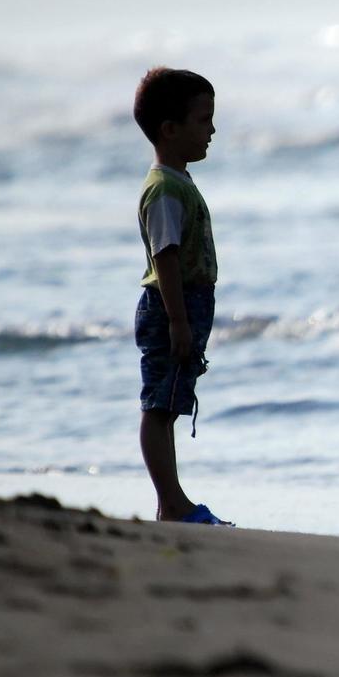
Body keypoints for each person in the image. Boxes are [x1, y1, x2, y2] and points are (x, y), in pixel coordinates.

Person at [131, 67, 232, 525]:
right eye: (203, 120)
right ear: (170, 130)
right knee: (160, 405)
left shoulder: (177, 182)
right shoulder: (166, 190)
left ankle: (172, 502)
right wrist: (177, 321)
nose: (211, 130)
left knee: (170, 405)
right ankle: (172, 503)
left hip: (185, 306)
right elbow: (165, 256)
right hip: (173, 306)